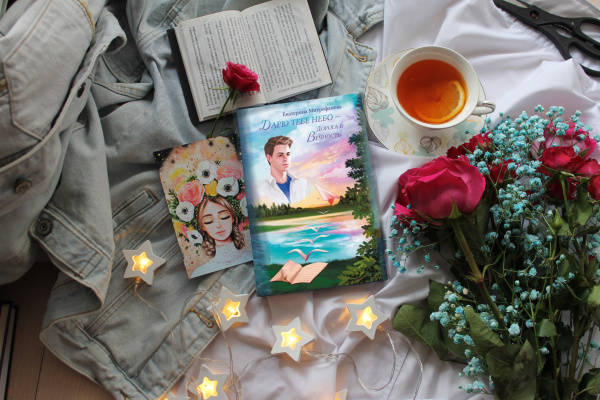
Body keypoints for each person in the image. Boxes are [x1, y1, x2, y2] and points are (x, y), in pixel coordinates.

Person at [190, 196, 251, 278]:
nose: (218, 225)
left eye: (224, 217)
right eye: (209, 221)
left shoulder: (250, 257)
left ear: (233, 218)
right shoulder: (200, 272)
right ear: (202, 227)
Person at [256, 135, 311, 205]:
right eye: (280, 155)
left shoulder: (303, 184)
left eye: (288, 154)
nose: (285, 158)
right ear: (269, 158)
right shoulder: (260, 189)